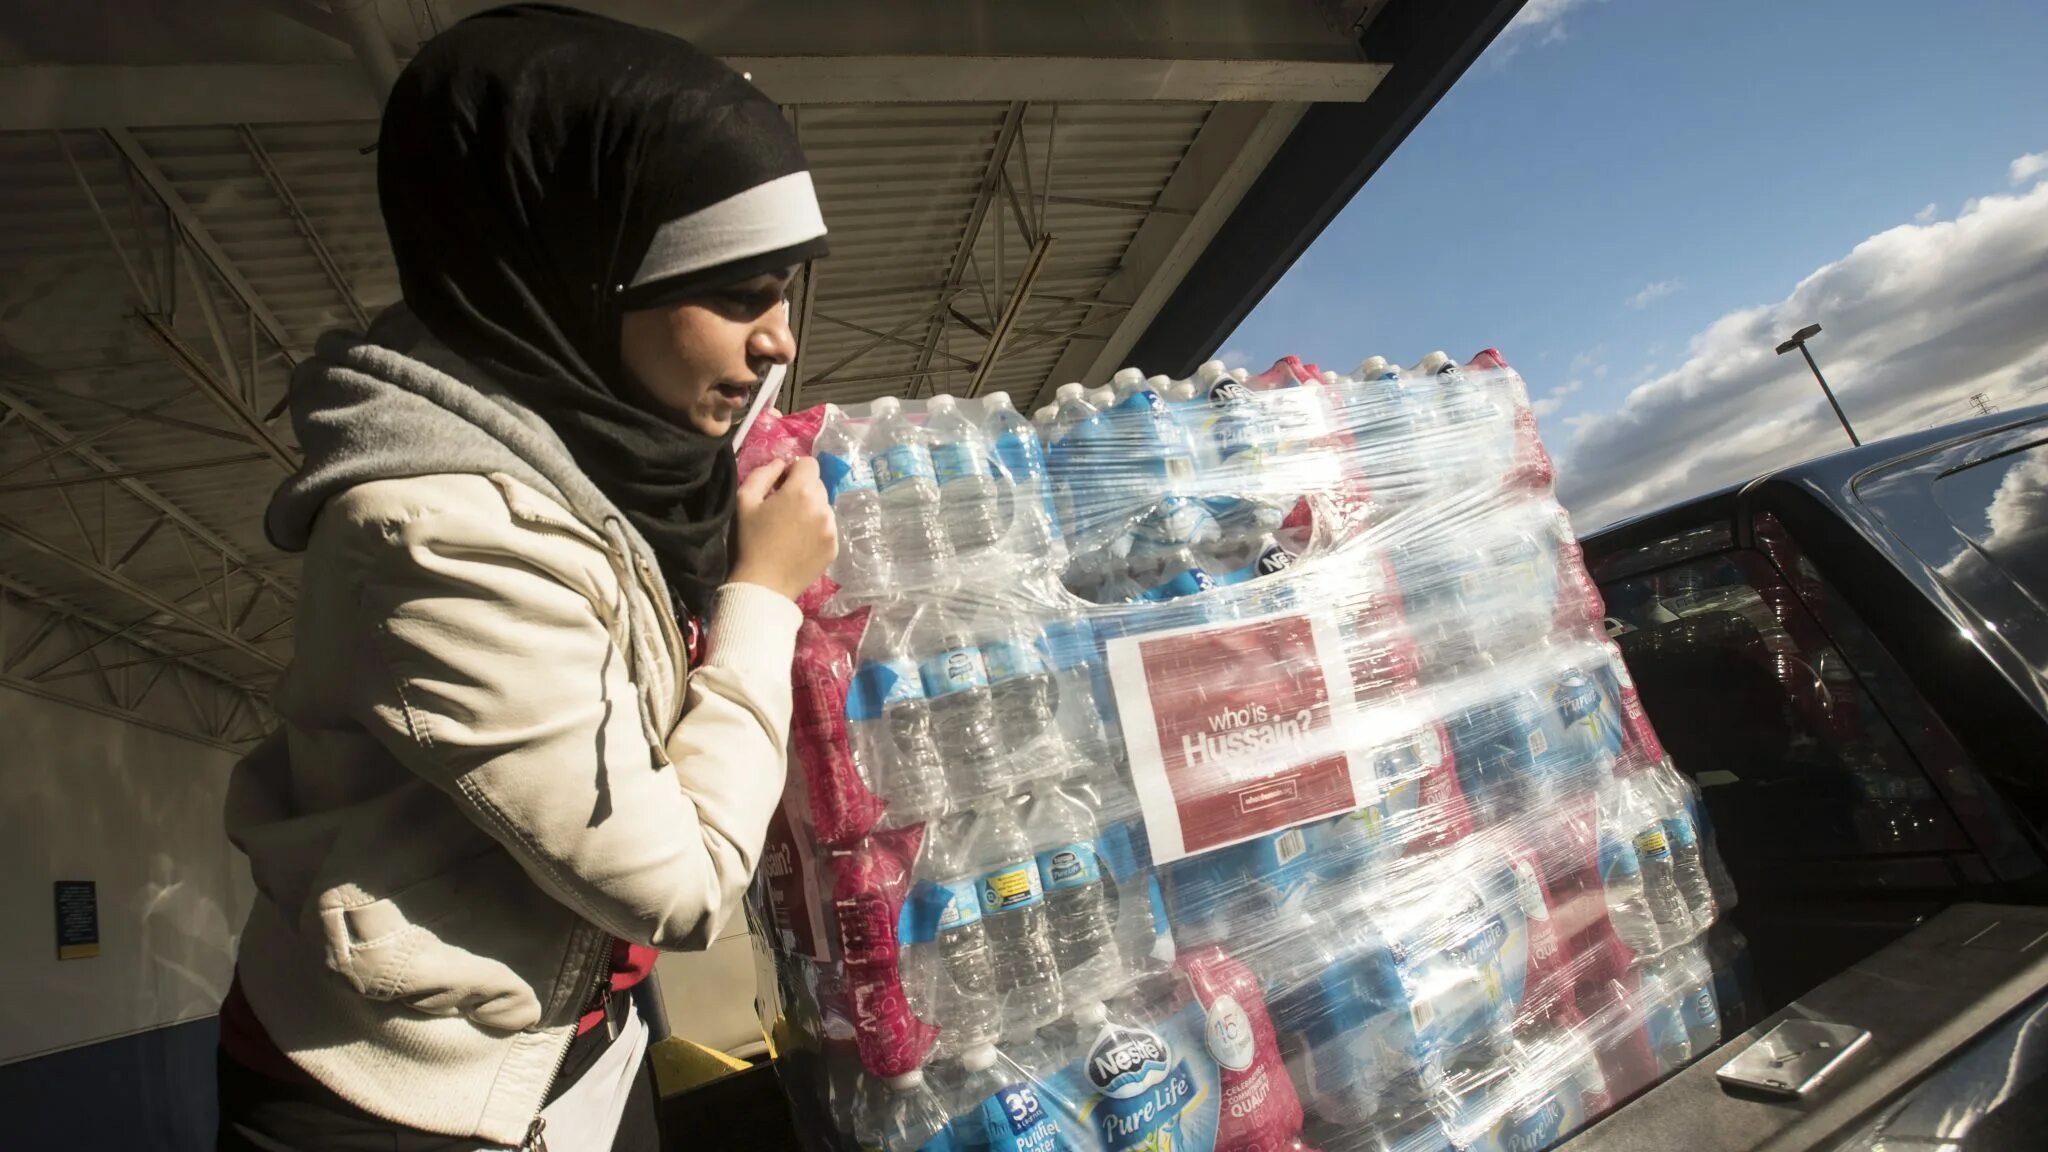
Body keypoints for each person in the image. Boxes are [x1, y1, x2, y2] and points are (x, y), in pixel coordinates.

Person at [214, 6, 834, 1149]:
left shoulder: (605, 458)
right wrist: (763, 598)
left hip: (579, 1048)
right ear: (583, 278)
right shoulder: (434, 537)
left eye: (786, 290)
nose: (779, 340)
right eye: (741, 294)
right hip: (403, 1106)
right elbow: (683, 883)